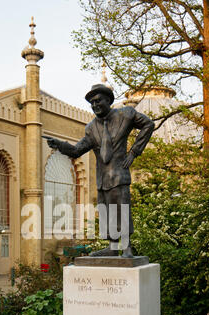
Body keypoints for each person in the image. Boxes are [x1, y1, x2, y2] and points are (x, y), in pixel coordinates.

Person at [45, 84, 155, 257]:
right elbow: (77, 150)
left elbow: (148, 125)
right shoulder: (91, 128)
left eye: (98, 101)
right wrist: (59, 144)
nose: (94, 105)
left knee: (121, 209)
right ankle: (112, 247)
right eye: (91, 103)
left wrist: (134, 152)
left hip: (119, 175)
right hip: (103, 178)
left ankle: (126, 247)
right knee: (107, 212)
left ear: (108, 100)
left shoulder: (125, 114)